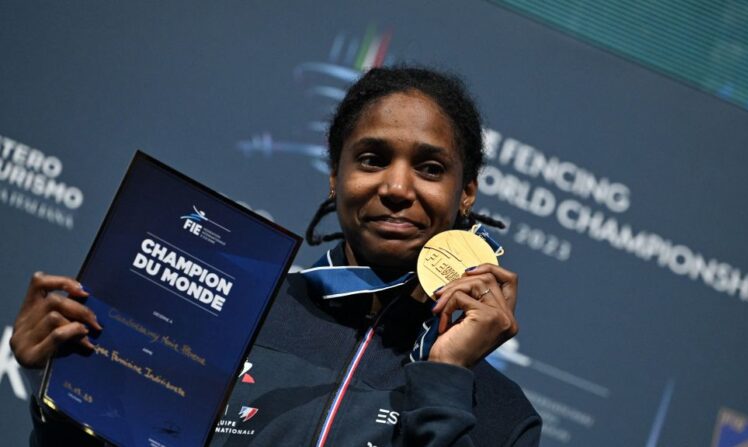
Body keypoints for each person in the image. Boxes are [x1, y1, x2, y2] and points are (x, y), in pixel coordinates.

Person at [11, 66, 542, 446]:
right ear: (336, 178)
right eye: (372, 159)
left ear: (466, 192)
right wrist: (61, 396)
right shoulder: (233, 314)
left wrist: (447, 376)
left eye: (430, 168)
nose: (398, 186)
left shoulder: (503, 415)